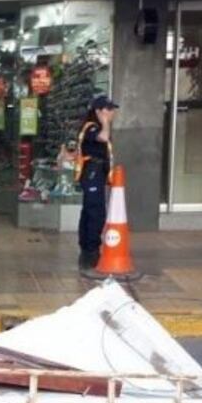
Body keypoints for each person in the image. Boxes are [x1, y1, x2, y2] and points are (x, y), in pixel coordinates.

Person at [76, 95, 118, 272]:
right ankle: (91, 252)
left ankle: (87, 251)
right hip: (92, 172)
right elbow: (102, 137)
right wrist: (105, 122)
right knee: (95, 212)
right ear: (98, 111)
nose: (113, 113)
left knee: (90, 211)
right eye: (109, 110)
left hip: (95, 173)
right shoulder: (93, 127)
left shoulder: (93, 127)